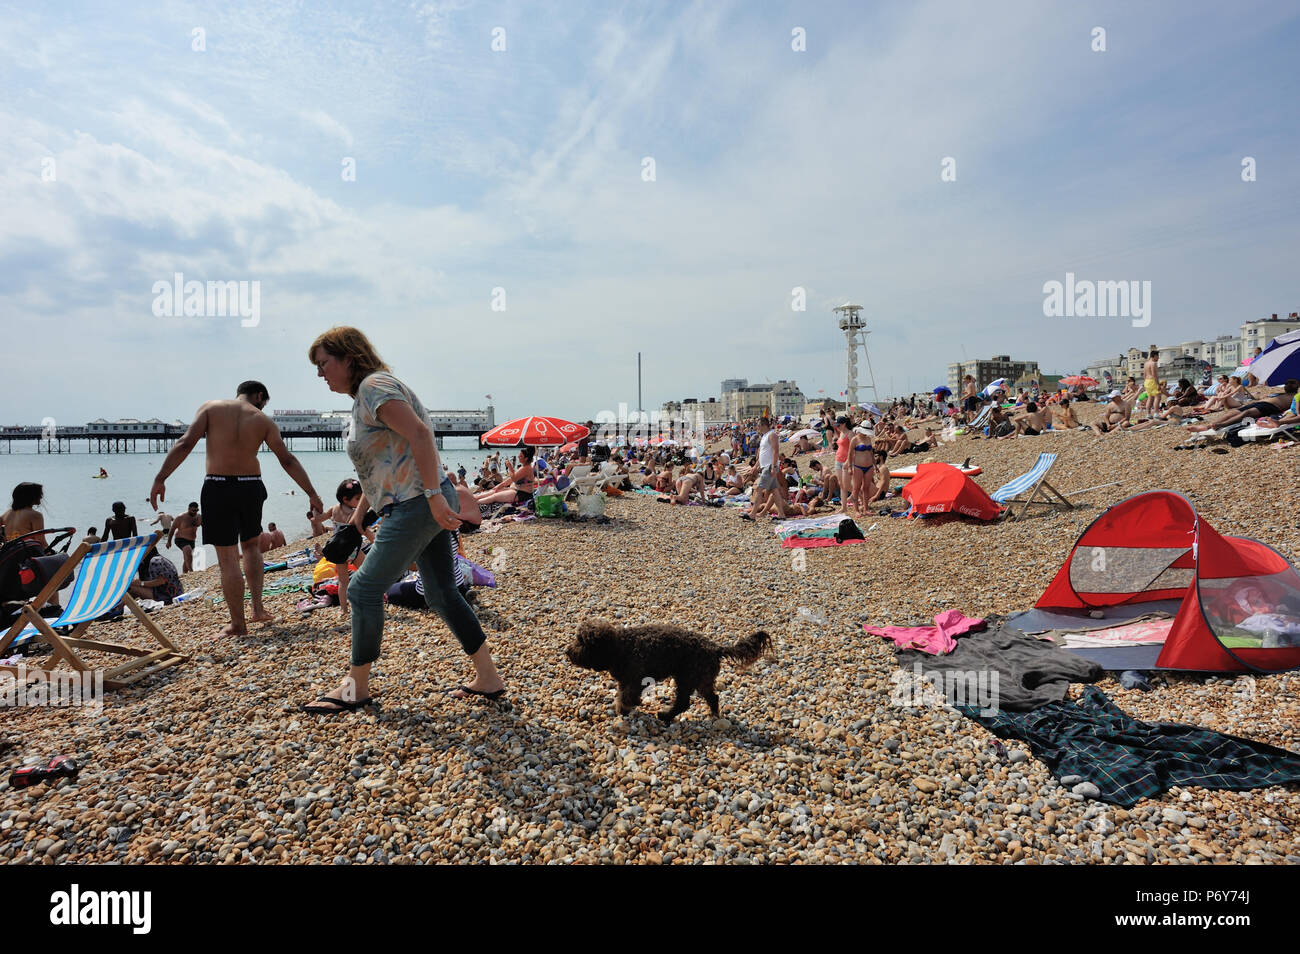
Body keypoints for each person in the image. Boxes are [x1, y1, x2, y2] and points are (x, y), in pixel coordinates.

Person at [301, 326, 504, 713]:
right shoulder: (368, 394)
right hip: (415, 501)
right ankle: (488, 678)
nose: (320, 373)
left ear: (349, 357)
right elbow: (382, 462)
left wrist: (431, 497)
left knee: (361, 589)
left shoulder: (374, 387)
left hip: (416, 504)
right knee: (442, 593)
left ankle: (355, 689)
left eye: (324, 363)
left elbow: (420, 434)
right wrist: (360, 514)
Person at [150, 381, 324, 638]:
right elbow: (287, 459)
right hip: (251, 486)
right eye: (264, 401)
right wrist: (311, 492)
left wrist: (161, 477)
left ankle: (238, 625)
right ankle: (258, 609)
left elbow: (186, 443)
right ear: (258, 395)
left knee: (228, 558)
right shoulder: (263, 420)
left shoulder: (211, 408)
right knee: (252, 546)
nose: (264, 406)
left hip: (218, 485)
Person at [1187, 380, 1300, 432]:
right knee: (1232, 412)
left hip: (1271, 407)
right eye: (1287, 383)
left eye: (1292, 383)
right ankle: (1207, 426)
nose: (1288, 384)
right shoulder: (1280, 393)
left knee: (1247, 413)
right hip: (1259, 403)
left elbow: (1294, 408)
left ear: (1297, 386)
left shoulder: (1296, 395)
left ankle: (1220, 424)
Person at [167, 502, 202, 573]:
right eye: (193, 510)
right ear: (188, 509)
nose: (195, 512)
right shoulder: (181, 517)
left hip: (192, 540)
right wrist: (169, 541)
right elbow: (172, 529)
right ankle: (192, 572)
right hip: (180, 539)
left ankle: (184, 574)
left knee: (187, 557)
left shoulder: (198, 516)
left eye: (196, 510)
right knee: (188, 552)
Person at [1141, 349, 1160, 420]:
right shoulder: (1153, 363)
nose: (1158, 358)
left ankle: (1148, 414)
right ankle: (1156, 413)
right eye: (1158, 356)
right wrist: (1158, 384)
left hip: (1147, 381)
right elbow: (1154, 374)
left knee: (1150, 398)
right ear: (1154, 356)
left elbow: (1145, 375)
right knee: (1157, 397)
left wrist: (1145, 383)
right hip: (1152, 381)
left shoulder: (1146, 363)